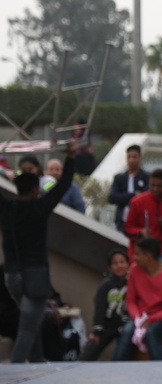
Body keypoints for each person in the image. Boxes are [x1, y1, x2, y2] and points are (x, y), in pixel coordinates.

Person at [0, 140, 76, 362]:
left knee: (32, 322)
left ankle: (37, 362)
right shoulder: (39, 207)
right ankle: (16, 371)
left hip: (11, 277)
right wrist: (71, 157)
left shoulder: (6, 208)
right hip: (35, 277)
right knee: (28, 327)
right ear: (36, 189)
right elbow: (63, 186)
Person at [112, 237, 162, 361]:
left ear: (148, 256)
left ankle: (160, 370)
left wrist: (151, 319)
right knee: (127, 331)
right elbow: (131, 300)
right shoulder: (134, 269)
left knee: (151, 334)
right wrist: (138, 318)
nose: (134, 257)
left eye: (137, 254)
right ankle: (116, 369)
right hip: (140, 317)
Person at [79, 249, 129, 361]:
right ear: (109, 268)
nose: (119, 266)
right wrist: (97, 330)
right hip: (107, 325)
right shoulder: (105, 286)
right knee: (92, 347)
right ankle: (79, 366)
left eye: (122, 262)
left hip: (124, 324)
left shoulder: (132, 283)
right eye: (115, 263)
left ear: (128, 264)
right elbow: (100, 309)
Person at [123, 169, 162, 261]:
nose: (155, 189)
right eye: (152, 185)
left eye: (159, 186)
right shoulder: (136, 202)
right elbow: (126, 229)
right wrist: (140, 232)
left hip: (161, 251)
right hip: (140, 251)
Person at [108, 145, 150, 232]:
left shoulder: (146, 177)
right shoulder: (119, 177)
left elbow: (146, 196)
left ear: (140, 157)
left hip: (140, 223)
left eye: (134, 157)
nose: (131, 160)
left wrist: (124, 197)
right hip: (122, 221)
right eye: (129, 157)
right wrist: (133, 195)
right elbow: (112, 197)